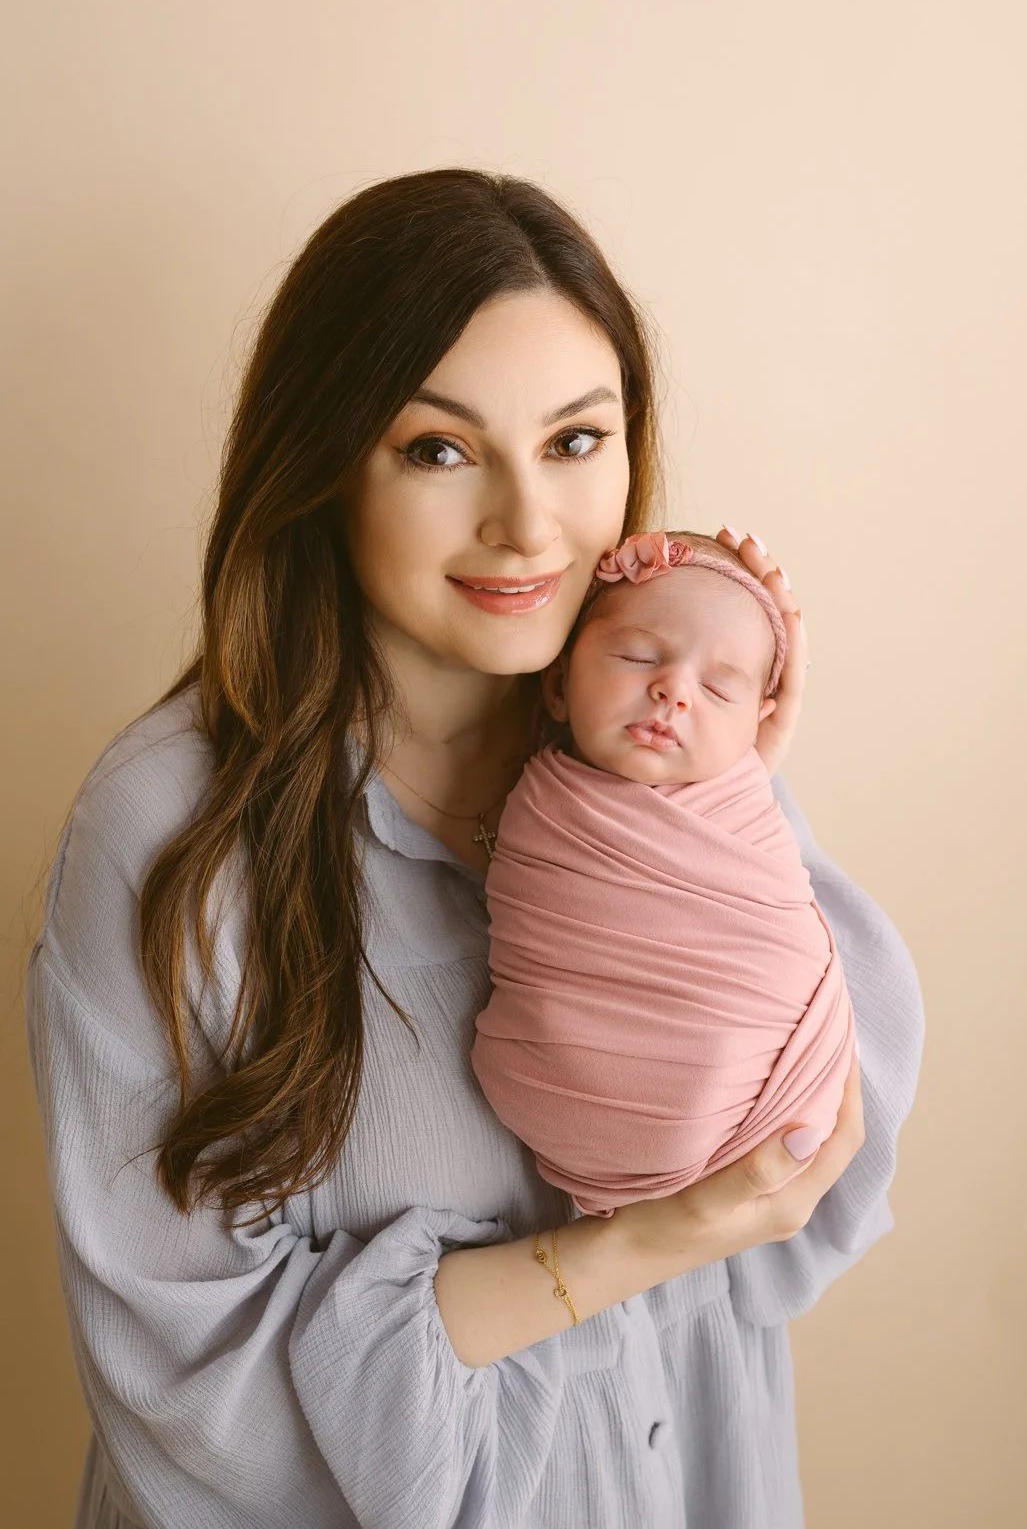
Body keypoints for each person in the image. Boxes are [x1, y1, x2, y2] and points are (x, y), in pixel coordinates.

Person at [24, 168, 925, 1529]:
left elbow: (812, 1165)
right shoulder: (167, 835)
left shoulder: (662, 744)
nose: (528, 524)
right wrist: (633, 1247)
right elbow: (194, 1394)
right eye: (440, 450)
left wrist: (730, 812)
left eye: (576, 441)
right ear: (327, 464)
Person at [470, 527, 856, 1219]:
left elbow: (776, 944)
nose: (674, 692)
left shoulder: (750, 808)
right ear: (558, 685)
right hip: (562, 1089)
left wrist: (748, 774)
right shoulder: (545, 804)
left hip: (746, 1092)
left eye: (718, 688)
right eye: (638, 657)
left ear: (756, 724)